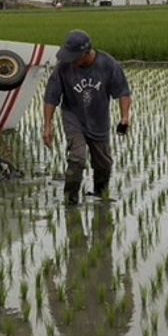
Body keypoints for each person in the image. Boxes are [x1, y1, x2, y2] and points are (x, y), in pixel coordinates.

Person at [41, 29, 132, 205]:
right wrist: (47, 125)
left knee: (104, 164)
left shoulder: (108, 64)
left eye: (74, 57)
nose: (71, 61)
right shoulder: (63, 67)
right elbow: (51, 97)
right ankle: (70, 200)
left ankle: (100, 195)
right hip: (73, 117)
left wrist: (125, 117)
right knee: (77, 158)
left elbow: (123, 93)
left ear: (86, 52)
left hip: (98, 119)